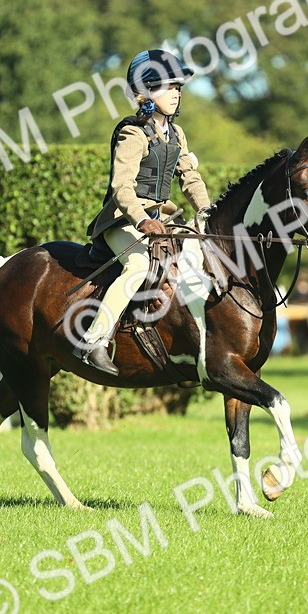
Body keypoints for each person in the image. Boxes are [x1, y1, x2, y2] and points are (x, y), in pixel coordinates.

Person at [74, 49, 212, 375]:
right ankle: (94, 341)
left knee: (199, 255)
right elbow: (122, 188)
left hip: (162, 220)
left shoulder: (176, 134)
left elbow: (189, 177)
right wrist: (143, 219)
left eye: (179, 87)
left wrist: (205, 209)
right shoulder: (132, 132)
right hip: (124, 221)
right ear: (146, 91)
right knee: (137, 266)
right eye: (169, 86)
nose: (177, 93)